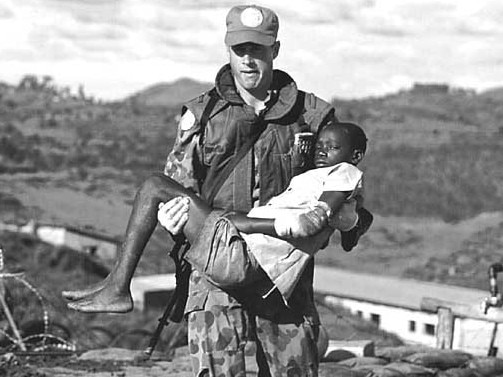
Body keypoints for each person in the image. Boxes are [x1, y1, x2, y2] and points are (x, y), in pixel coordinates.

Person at [63, 5, 368, 376]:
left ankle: (116, 286)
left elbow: (344, 185)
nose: (248, 60)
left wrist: (336, 222)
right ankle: (117, 287)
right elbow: (179, 185)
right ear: (227, 49)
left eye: (257, 49)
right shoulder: (202, 114)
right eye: (240, 49)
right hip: (216, 276)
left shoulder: (314, 116)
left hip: (282, 280)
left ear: (275, 50)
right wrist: (170, 219)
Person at [155, 121, 370, 303]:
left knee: (155, 185)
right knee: (157, 187)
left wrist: (245, 223)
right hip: (244, 262)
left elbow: (311, 220)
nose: (321, 151)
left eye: (330, 147)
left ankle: (120, 284)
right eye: (319, 145)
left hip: (242, 252)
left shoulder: (311, 115)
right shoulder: (206, 113)